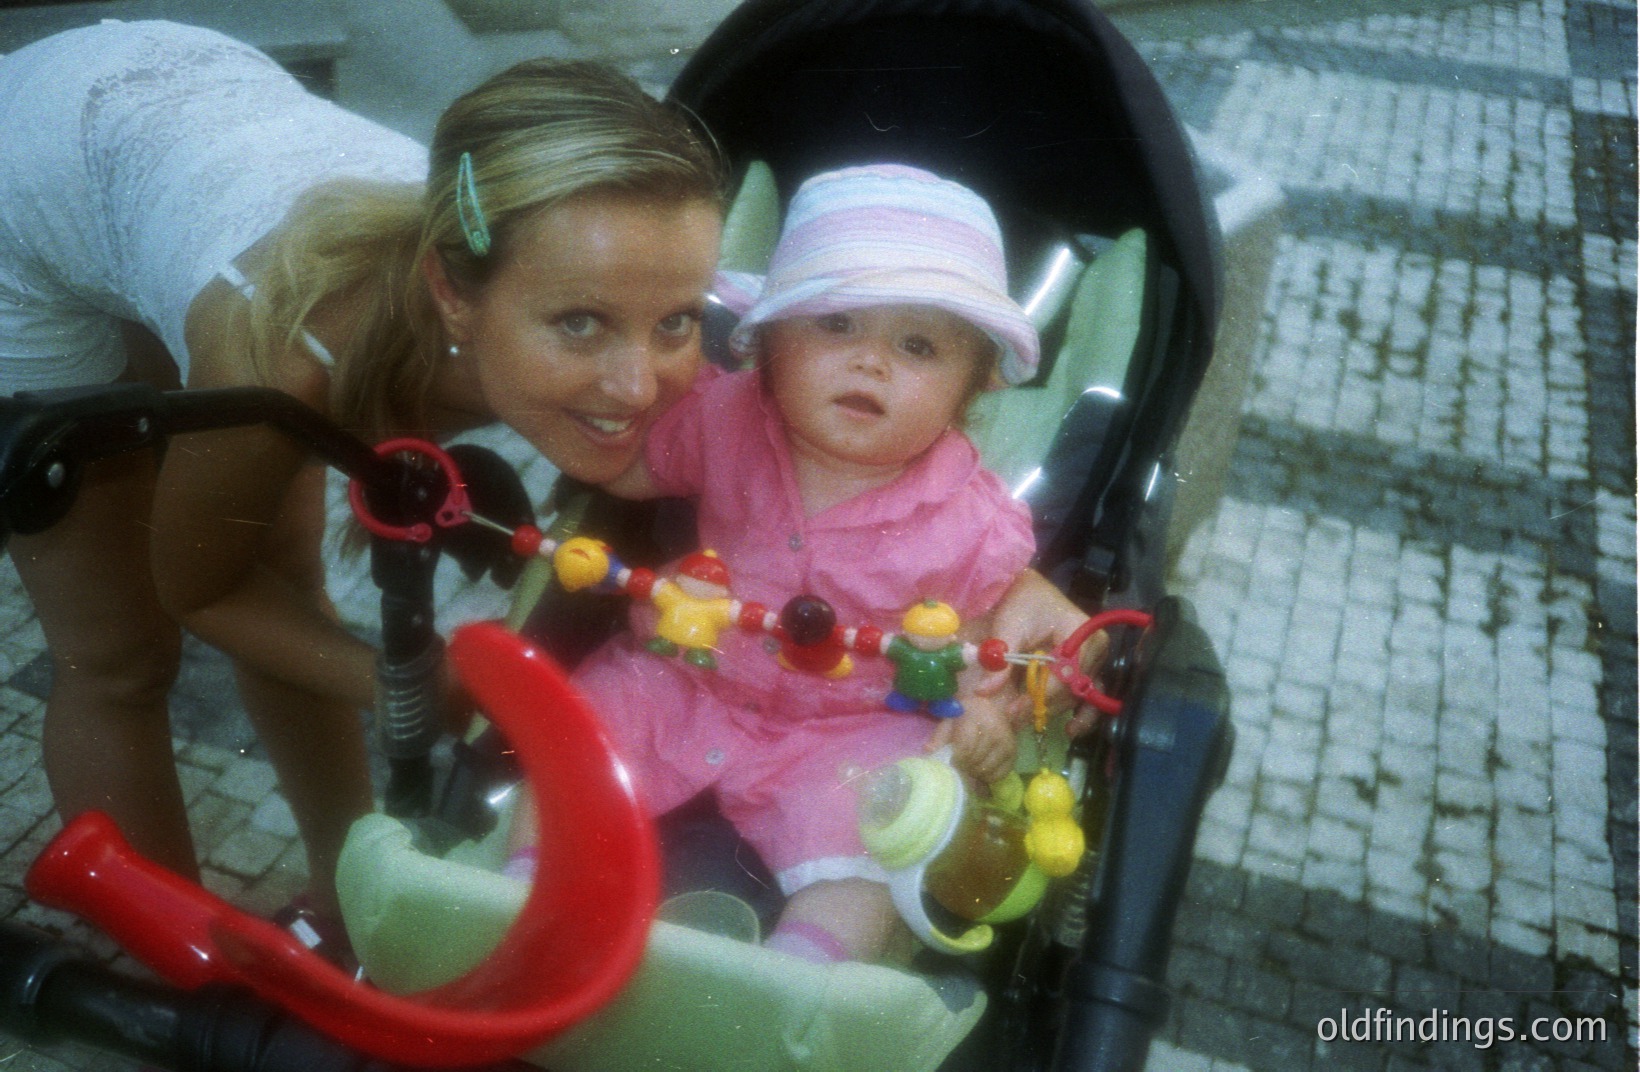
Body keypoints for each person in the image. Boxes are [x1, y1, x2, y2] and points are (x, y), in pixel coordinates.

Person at [0, 20, 726, 928]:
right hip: (31, 169)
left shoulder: (577, 262)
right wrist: (417, 686)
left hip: (196, 114)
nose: (639, 386)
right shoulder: (291, 353)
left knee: (292, 579)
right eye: (580, 323)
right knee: (119, 653)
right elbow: (199, 590)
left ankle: (352, 903)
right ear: (455, 292)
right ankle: (188, 995)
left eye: (677, 322)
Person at [511, 164, 1056, 965]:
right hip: (689, 678)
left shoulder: (972, 518)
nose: (870, 362)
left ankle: (804, 973)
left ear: (968, 390)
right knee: (584, 726)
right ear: (768, 344)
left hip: (852, 728)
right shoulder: (723, 416)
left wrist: (983, 715)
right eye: (835, 325)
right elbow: (626, 464)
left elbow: (977, 640)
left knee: (886, 834)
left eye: (917, 346)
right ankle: (521, 889)